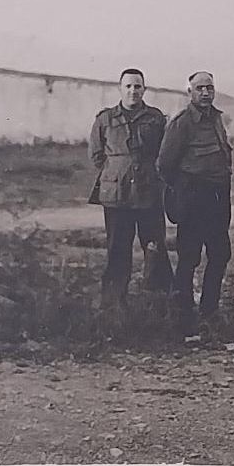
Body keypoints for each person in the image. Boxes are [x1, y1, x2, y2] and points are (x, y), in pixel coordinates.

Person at [87, 68, 173, 297]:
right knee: (117, 249)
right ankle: (114, 305)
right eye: (128, 86)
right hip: (117, 196)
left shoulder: (155, 118)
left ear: (144, 89)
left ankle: (159, 302)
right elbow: (96, 155)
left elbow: (164, 153)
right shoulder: (105, 119)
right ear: (120, 88)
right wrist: (116, 174)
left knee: (155, 247)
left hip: (149, 194)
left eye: (137, 86)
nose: (133, 91)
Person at [157, 71, 233, 323]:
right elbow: (165, 164)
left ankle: (209, 309)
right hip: (193, 196)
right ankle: (183, 313)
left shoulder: (217, 119)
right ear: (190, 92)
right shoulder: (182, 123)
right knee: (189, 256)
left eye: (209, 87)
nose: (205, 92)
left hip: (218, 196)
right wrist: (182, 191)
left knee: (220, 253)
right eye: (200, 88)